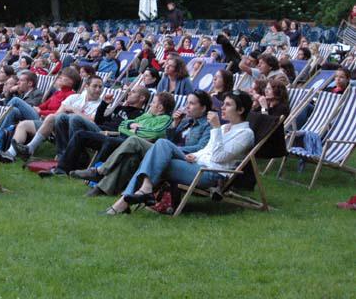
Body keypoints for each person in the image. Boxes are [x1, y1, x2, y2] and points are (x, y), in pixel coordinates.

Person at [103, 91, 254, 215]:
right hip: (196, 163)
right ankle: (136, 195)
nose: (222, 108)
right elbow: (206, 150)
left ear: (240, 110)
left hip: (210, 173)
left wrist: (215, 128)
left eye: (228, 105)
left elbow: (217, 158)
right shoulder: (223, 128)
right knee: (161, 146)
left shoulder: (245, 134)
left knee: (153, 159)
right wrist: (195, 156)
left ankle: (126, 200)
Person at [73, 90, 213, 196]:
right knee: (132, 156)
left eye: (192, 103)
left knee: (134, 140)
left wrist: (173, 148)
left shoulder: (207, 125)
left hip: (183, 157)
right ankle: (102, 188)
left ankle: (99, 171)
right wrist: (175, 125)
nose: (187, 106)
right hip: (166, 151)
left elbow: (201, 147)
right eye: (187, 102)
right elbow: (168, 139)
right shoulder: (184, 122)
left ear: (203, 108)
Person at [39, 87, 150, 177]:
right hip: (99, 128)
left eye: (133, 92)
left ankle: (77, 159)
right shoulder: (120, 108)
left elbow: (128, 132)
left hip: (110, 135)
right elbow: (99, 120)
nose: (129, 93)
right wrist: (104, 104)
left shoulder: (141, 116)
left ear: (142, 98)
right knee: (62, 117)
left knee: (75, 119)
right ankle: (63, 156)